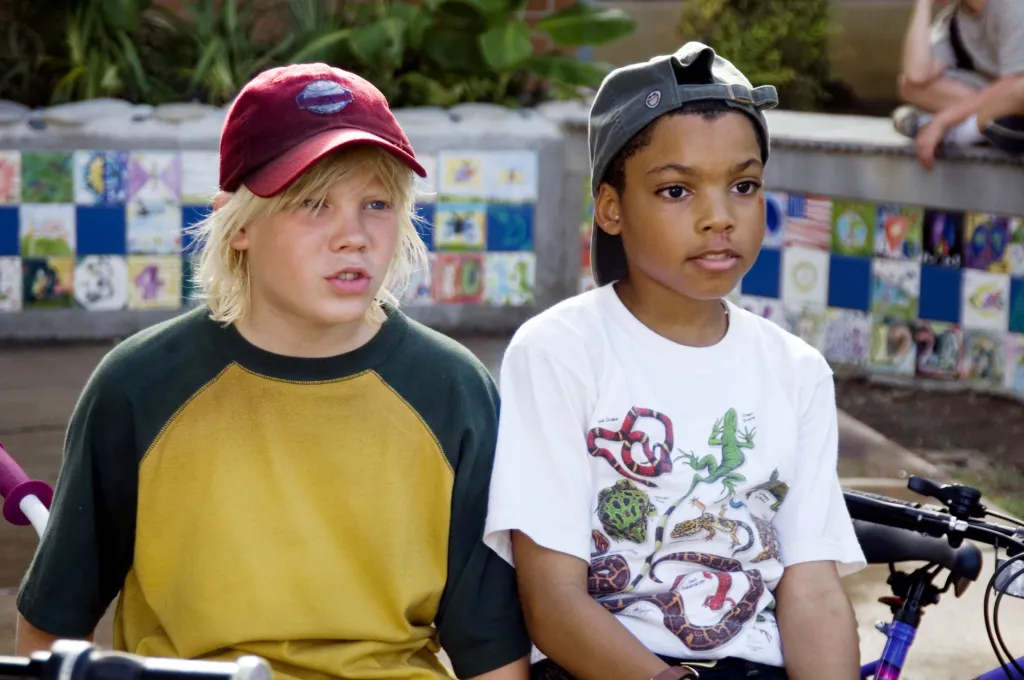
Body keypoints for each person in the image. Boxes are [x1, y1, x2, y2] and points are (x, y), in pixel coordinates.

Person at [14, 63, 531, 680]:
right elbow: (53, 626)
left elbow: (491, 648)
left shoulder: (453, 389)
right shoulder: (138, 386)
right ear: (237, 224)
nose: (354, 237)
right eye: (312, 204)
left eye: (377, 204)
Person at [482, 43, 866, 680]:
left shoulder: (796, 371)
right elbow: (552, 601)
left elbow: (814, 592)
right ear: (611, 207)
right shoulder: (560, 351)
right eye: (676, 190)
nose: (719, 218)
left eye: (743, 186)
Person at [893, 0, 1024, 168]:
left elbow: (1014, 81)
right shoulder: (954, 18)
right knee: (912, 88)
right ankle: (987, 124)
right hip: (1002, 102)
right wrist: (922, 5)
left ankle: (957, 133)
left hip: (1016, 95)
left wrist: (943, 120)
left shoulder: (1014, 7)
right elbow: (916, 76)